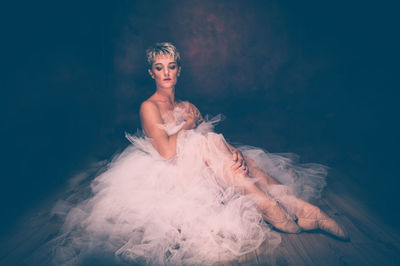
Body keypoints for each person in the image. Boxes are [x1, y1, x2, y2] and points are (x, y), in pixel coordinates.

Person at [48, 42, 347, 265]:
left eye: (171, 66)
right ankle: (274, 206)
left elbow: (209, 137)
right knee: (202, 141)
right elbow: (166, 151)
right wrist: (189, 125)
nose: (166, 73)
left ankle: (300, 208)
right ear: (150, 72)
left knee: (241, 156)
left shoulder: (187, 104)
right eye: (159, 67)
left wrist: (234, 154)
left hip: (205, 166)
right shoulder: (148, 107)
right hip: (171, 174)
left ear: (179, 70)